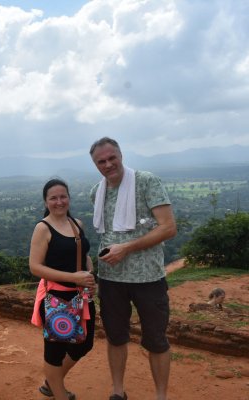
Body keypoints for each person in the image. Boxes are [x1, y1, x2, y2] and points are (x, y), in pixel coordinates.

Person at [89, 137, 177, 400]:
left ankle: (160, 395)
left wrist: (125, 248)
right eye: (101, 161)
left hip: (148, 277)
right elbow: (104, 235)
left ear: (121, 155)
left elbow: (168, 228)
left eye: (111, 158)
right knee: (115, 337)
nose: (108, 164)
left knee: (156, 339)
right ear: (96, 165)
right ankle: (118, 391)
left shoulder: (147, 181)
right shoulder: (97, 191)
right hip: (111, 278)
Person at [29, 178, 97, 400]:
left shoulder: (76, 223)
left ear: (69, 197)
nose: (59, 202)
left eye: (63, 196)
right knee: (55, 352)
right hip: (56, 296)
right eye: (53, 198)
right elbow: (35, 267)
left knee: (83, 344)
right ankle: (58, 393)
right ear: (46, 201)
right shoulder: (43, 228)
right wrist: (73, 277)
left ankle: (52, 381)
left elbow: (83, 254)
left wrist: (90, 275)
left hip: (81, 295)